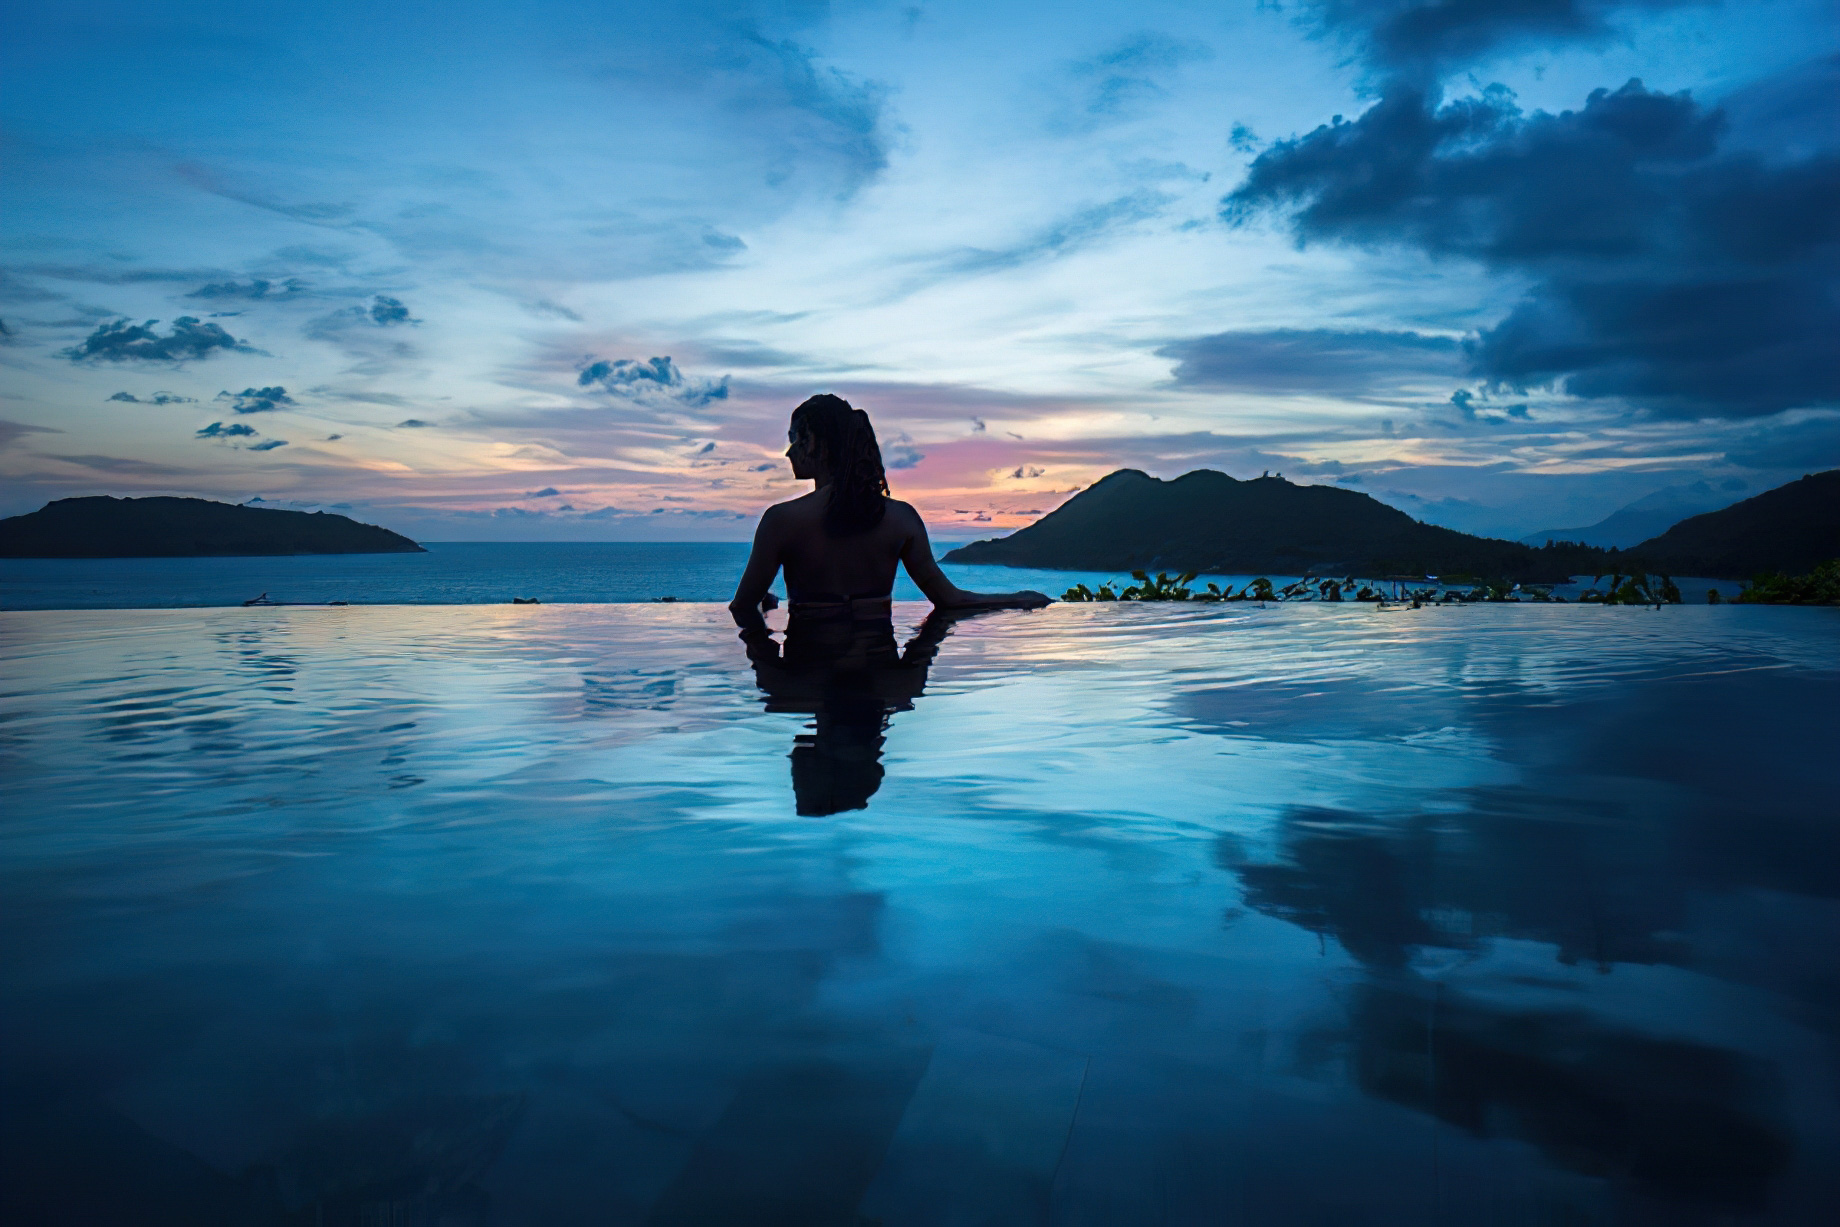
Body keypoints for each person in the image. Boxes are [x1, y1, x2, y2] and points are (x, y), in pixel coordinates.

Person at [728, 393, 1050, 633]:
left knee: (775, 698)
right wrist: (1017, 598)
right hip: (882, 678)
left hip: (808, 677)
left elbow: (742, 608)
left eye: (795, 438)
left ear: (815, 443)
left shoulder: (782, 521)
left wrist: (766, 612)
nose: (789, 451)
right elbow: (951, 599)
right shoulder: (900, 519)